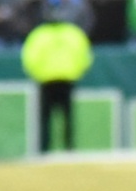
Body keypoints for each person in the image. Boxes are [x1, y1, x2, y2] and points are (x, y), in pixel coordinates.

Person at [21, 20, 93, 152]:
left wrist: (37, 73)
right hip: (67, 78)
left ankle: (45, 147)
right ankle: (69, 147)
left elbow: (30, 57)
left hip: (46, 79)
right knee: (67, 116)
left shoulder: (39, 34)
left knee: (45, 117)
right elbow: (85, 55)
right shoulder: (73, 33)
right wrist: (77, 71)